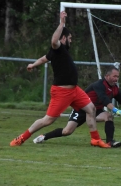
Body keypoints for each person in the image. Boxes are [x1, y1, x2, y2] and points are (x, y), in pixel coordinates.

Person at [10, 11, 110, 148]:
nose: (71, 40)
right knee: (48, 120)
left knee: (91, 109)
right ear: (63, 38)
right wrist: (62, 23)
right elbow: (53, 41)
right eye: (70, 38)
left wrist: (33, 64)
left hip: (74, 90)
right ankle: (22, 137)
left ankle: (95, 139)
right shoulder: (58, 47)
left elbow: (44, 58)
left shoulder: (58, 52)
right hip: (61, 92)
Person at [33, 66, 121, 148]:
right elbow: (103, 98)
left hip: (96, 111)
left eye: (118, 76)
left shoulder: (115, 88)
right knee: (67, 131)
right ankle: (44, 136)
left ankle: (110, 142)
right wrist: (115, 109)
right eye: (114, 76)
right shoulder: (98, 85)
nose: (116, 79)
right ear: (107, 76)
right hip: (82, 109)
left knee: (109, 116)